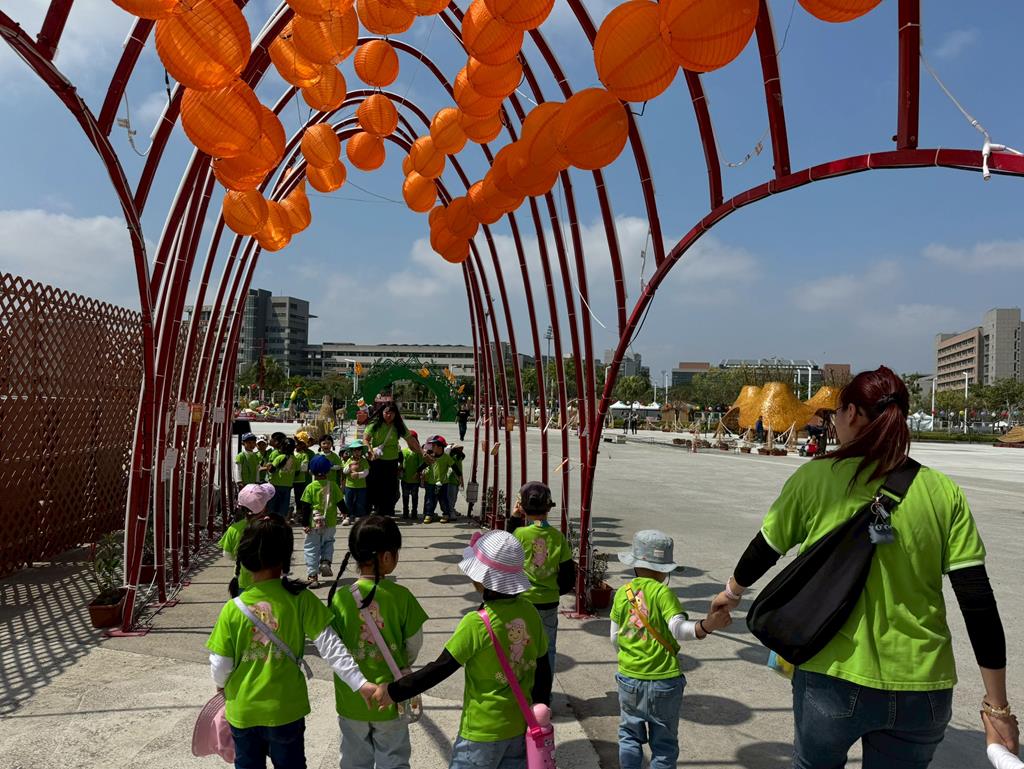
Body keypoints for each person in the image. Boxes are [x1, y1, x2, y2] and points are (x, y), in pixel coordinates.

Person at [711, 366, 1017, 769]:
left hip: (832, 677)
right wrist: (997, 707)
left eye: (837, 412)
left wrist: (731, 593)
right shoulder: (943, 492)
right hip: (923, 686)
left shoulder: (816, 477)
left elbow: (764, 549)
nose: (835, 421)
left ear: (852, 413)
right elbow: (977, 602)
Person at [205, 516, 380, 769]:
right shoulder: (301, 599)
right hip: (286, 709)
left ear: (245, 558)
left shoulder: (233, 609)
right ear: (286, 557)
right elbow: (330, 646)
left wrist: (221, 685)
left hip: (243, 710)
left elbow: (221, 663)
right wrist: (359, 682)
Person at [379, 530, 552, 769]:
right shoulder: (530, 612)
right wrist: (540, 709)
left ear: (482, 579)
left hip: (481, 732)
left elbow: (440, 668)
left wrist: (395, 691)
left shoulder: (476, 623)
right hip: (520, 725)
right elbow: (543, 668)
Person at [611, 529, 732, 769]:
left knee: (629, 736)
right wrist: (706, 626)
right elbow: (678, 629)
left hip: (629, 679)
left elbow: (614, 637)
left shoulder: (622, 594)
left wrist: (630, 659)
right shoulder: (663, 593)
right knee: (664, 746)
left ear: (635, 564)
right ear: (664, 570)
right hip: (663, 682)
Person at [328, 516, 428, 769]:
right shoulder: (402, 597)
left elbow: (334, 648)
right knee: (393, 757)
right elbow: (414, 644)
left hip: (352, 697)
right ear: (386, 557)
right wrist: (401, 662)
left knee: (353, 759)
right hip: (391, 694)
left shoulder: (340, 598)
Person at [509, 482, 574, 674]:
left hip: (524, 601)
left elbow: (504, 549)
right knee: (548, 647)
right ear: (548, 507)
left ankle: (522, 685)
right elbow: (568, 576)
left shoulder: (519, 534)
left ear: (522, 508)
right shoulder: (558, 537)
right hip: (549, 602)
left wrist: (514, 517)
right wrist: (554, 590)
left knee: (520, 646)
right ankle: (545, 689)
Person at [364, 402, 422, 516]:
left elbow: (410, 440)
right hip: (376, 460)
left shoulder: (399, 425)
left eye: (392, 413)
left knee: (390, 487)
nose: (389, 415)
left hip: (392, 461)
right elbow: (365, 439)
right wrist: (370, 451)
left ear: (396, 414)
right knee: (375, 485)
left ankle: (386, 510)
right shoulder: (375, 423)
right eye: (386, 413)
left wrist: (422, 452)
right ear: (382, 413)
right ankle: (375, 508)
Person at [221, 482, 276, 595]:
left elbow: (228, 555)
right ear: (264, 507)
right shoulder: (272, 527)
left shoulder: (233, 529)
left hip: (242, 582)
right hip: (267, 584)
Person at [297, 455, 345, 587]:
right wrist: (345, 512)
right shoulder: (333, 486)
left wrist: (305, 523)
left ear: (311, 472)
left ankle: (313, 576)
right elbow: (341, 502)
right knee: (328, 542)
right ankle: (325, 561)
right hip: (330, 523)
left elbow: (305, 507)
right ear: (329, 471)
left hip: (313, 524)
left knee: (312, 548)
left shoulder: (310, 487)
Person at [420, 435, 453, 524]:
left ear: (440, 447)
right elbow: (424, 465)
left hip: (443, 483)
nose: (432, 447)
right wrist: (417, 472)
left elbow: (454, 467)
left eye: (434, 445)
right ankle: (429, 514)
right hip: (431, 482)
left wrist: (459, 476)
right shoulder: (431, 456)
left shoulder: (446, 457)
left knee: (443, 499)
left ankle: (446, 514)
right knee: (430, 499)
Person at [262, 433, 296, 517]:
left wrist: (265, 467)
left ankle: (271, 518)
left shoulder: (277, 455)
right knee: (284, 504)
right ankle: (282, 518)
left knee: (273, 503)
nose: (270, 440)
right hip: (288, 485)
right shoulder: (295, 458)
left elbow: (271, 469)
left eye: (272, 439)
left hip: (275, 483)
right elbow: (297, 471)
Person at [342, 440, 370, 525]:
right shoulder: (349, 460)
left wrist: (358, 474)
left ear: (361, 451)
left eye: (359, 450)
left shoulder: (364, 461)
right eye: (354, 450)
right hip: (349, 485)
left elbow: (366, 472)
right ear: (352, 451)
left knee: (360, 502)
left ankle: (359, 516)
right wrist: (350, 466)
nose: (357, 452)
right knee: (348, 501)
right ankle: (348, 516)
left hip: (361, 486)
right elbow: (344, 471)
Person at [398, 432, 425, 521]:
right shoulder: (404, 451)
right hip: (405, 479)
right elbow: (401, 463)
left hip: (415, 480)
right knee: (405, 497)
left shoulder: (418, 452)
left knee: (414, 497)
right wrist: (400, 469)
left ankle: (414, 512)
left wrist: (418, 474)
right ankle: (405, 512)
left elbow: (421, 465)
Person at [292, 431, 315, 520]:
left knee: (304, 497)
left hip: (306, 479)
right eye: (297, 442)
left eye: (301, 443)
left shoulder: (310, 454)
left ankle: (303, 513)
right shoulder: (292, 452)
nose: (299, 445)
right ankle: (298, 511)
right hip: (292, 479)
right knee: (296, 496)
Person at [446, 443, 465, 518]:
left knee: (454, 497)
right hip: (451, 480)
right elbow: (455, 470)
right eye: (459, 448)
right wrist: (460, 479)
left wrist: (461, 480)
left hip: (456, 480)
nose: (461, 450)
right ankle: (450, 512)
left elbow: (460, 470)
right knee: (451, 497)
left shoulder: (459, 458)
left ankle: (452, 510)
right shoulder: (453, 457)